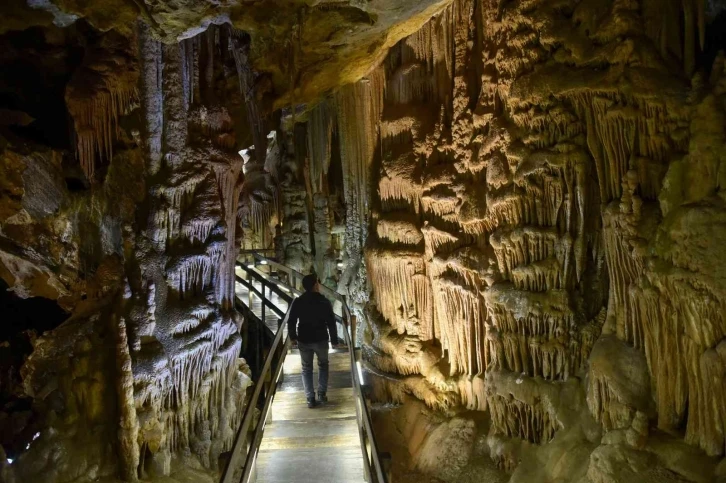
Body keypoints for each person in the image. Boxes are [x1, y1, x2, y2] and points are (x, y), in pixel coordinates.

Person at [284, 273, 342, 408]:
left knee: (306, 368)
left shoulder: (298, 301)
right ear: (315, 285)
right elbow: (331, 322)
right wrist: (334, 340)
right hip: (321, 338)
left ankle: (310, 397)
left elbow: (291, 321)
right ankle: (321, 394)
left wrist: (293, 337)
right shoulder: (324, 301)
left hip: (304, 339)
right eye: (318, 283)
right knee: (323, 365)